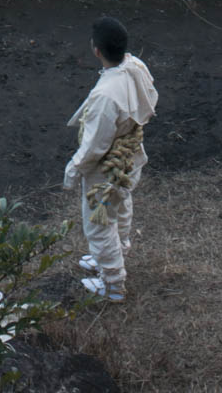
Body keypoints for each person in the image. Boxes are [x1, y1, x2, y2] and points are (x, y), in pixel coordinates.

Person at [63, 15, 157, 303]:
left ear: (96, 51)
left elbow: (94, 146)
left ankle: (113, 285)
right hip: (129, 158)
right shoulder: (137, 66)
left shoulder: (106, 96)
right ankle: (120, 248)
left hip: (106, 169)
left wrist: (73, 169)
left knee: (99, 224)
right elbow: (151, 99)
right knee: (122, 203)